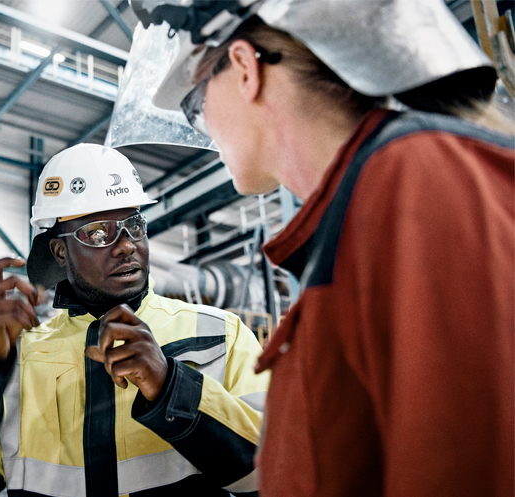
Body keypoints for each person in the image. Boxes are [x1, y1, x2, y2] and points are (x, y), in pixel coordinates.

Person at [126, 0, 515, 496]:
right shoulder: (363, 217)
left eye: (194, 105)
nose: (203, 125)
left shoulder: (414, 188)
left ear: (245, 68)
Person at [0, 143, 269, 496]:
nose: (126, 245)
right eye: (99, 232)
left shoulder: (220, 336)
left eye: (133, 225)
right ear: (59, 251)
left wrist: (171, 387)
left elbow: (272, 473)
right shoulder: (19, 361)